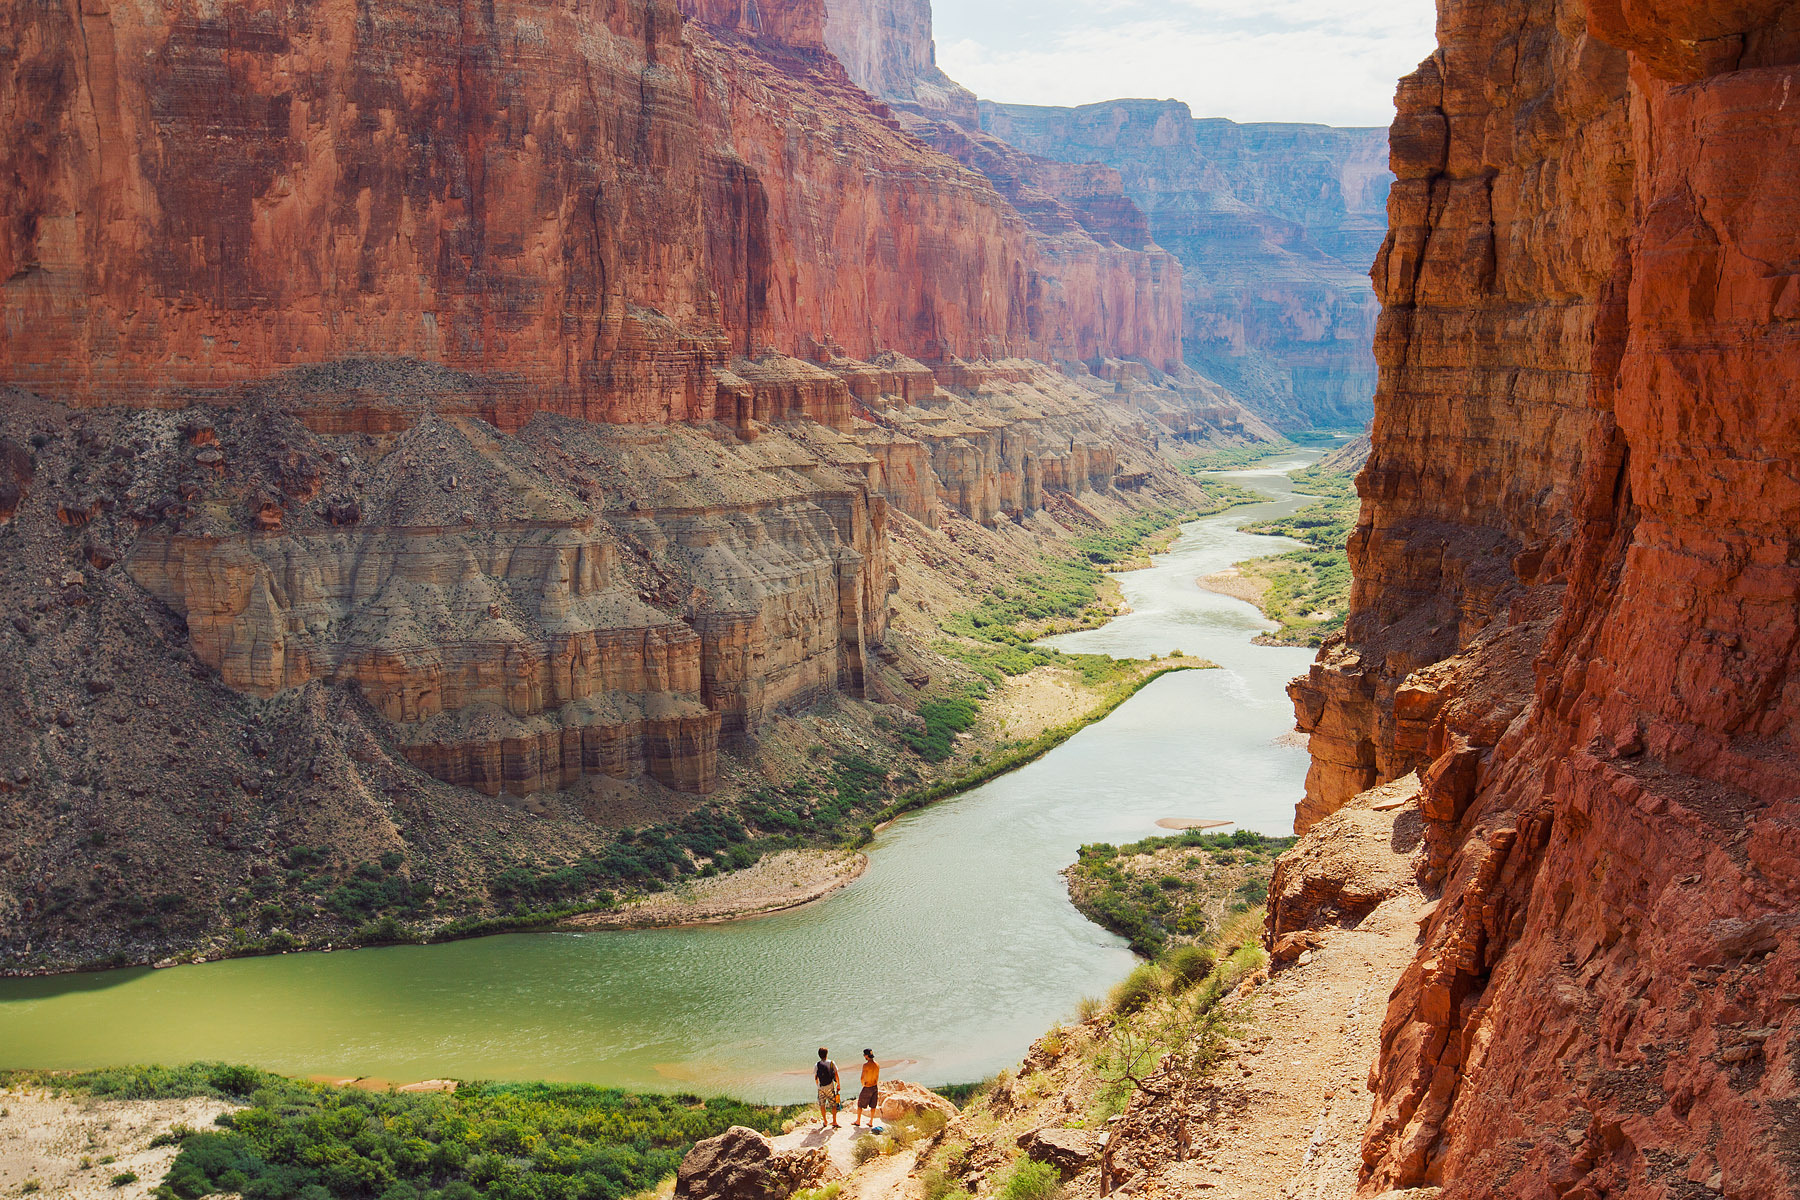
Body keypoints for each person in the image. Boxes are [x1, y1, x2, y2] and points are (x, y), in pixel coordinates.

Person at [852, 1048, 881, 1128]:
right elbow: (877, 1077)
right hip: (874, 1086)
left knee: (860, 1104)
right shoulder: (877, 1065)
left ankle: (858, 1121)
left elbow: (862, 1078)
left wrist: (863, 1085)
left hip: (867, 1086)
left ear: (867, 1056)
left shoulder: (865, 1066)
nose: (864, 1056)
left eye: (864, 1055)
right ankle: (871, 1121)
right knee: (873, 1105)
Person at [814, 1048, 841, 1130]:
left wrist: (818, 1086)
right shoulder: (832, 1063)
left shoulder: (817, 1065)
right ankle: (834, 1121)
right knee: (833, 1104)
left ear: (819, 1055)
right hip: (830, 1087)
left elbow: (816, 1078)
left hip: (821, 1088)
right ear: (827, 1054)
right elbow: (836, 1075)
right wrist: (838, 1085)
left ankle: (825, 1121)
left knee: (822, 1104)